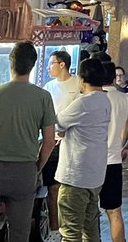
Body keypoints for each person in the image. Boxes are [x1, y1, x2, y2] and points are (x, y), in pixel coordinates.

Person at [0, 42, 56, 242]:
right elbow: (49, 141)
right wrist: (37, 168)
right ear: (33, 65)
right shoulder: (43, 97)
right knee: (19, 233)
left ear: (11, 63)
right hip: (24, 171)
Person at [55, 58, 111, 242]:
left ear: (82, 79)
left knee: (71, 232)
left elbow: (58, 123)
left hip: (75, 176)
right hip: (95, 175)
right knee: (91, 229)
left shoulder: (83, 103)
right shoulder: (105, 100)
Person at [94, 61, 128, 242]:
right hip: (113, 160)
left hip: (92, 161)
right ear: (114, 78)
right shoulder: (123, 98)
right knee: (114, 212)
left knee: (89, 210)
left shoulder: (91, 98)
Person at [43, 50, 82, 237]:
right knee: (52, 186)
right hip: (53, 142)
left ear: (62, 65)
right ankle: (54, 228)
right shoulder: (49, 87)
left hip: (72, 142)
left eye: (51, 63)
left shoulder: (78, 84)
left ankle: (70, 226)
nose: (49, 67)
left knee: (69, 186)